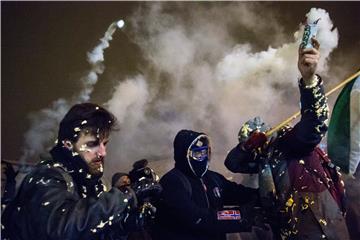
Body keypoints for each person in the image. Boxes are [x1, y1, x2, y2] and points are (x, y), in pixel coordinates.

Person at [225, 39, 350, 239]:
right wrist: (246, 147)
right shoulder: (264, 160)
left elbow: (313, 124)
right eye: (251, 142)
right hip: (293, 229)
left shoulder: (287, 144)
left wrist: (309, 81)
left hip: (320, 226)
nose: (255, 147)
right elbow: (232, 163)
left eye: (255, 139)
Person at [2, 103, 158, 240]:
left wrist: (124, 225)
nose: (103, 152)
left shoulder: (90, 183)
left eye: (105, 144)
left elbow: (92, 232)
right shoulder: (46, 176)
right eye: (92, 144)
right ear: (68, 145)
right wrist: (126, 196)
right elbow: (62, 228)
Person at [152, 129, 264, 240]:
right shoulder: (172, 182)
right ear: (184, 155)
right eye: (198, 154)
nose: (203, 158)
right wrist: (242, 216)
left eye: (205, 153)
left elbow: (239, 193)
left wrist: (265, 197)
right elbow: (199, 218)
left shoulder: (212, 178)